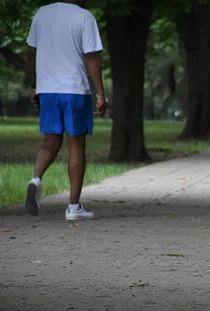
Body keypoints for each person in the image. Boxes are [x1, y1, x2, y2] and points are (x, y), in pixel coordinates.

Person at [25, 0, 106, 221]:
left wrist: (35, 85)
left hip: (48, 90)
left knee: (50, 142)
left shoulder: (41, 14)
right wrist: (100, 92)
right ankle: (73, 207)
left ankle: (35, 179)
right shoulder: (84, 17)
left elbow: (31, 52)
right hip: (74, 91)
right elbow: (92, 57)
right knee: (76, 145)